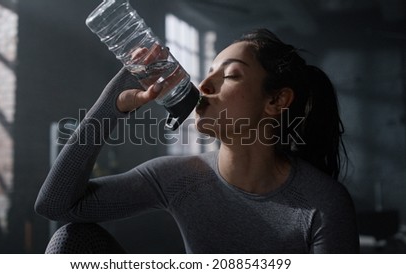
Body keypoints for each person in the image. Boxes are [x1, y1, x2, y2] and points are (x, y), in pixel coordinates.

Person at [35, 28, 360, 253]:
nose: (203, 84)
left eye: (230, 75)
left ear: (275, 101)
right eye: (208, 72)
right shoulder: (177, 177)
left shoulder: (324, 205)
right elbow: (56, 206)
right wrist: (113, 104)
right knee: (72, 239)